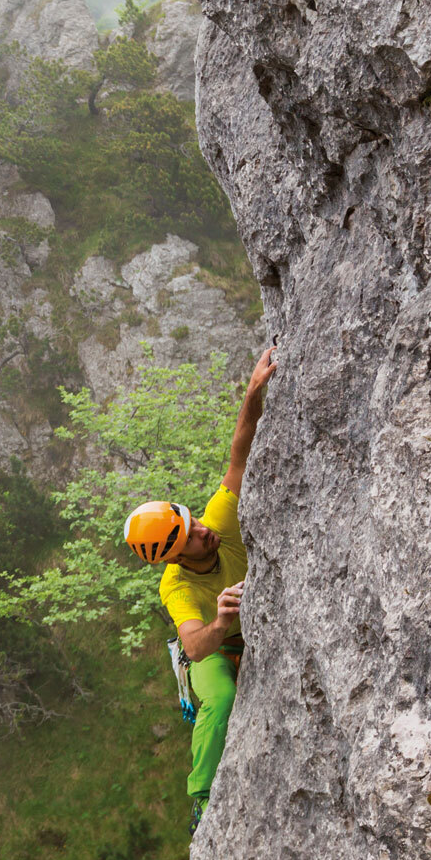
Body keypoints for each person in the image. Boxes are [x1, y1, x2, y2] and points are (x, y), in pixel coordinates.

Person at [123, 346, 277, 830]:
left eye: (192, 523)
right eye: (189, 537)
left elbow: (241, 449)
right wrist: (223, 621)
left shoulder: (220, 521)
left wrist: (254, 390)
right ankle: (202, 798)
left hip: (248, 628)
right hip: (213, 649)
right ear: (172, 555)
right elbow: (194, 644)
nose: (201, 532)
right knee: (222, 700)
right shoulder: (177, 585)